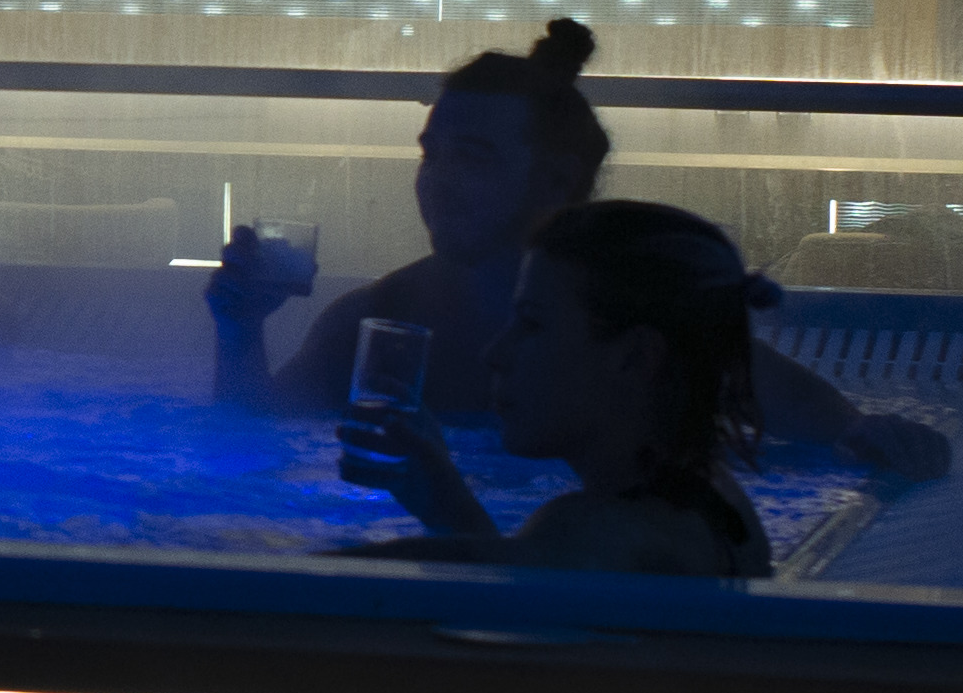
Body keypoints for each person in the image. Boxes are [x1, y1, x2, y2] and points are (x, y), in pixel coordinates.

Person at [199, 13, 948, 477]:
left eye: (477, 158)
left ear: (556, 181)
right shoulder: (377, 321)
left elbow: (799, 411)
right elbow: (248, 449)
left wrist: (866, 434)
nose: (440, 182)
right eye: (434, 154)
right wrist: (240, 333)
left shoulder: (631, 319)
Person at [331, 198, 779, 576]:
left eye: (532, 323)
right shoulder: (716, 502)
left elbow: (318, 585)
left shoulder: (588, 529)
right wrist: (445, 501)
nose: (495, 353)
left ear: (636, 357)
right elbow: (512, 585)